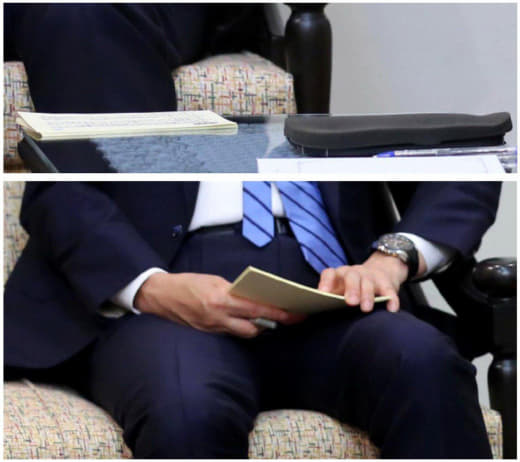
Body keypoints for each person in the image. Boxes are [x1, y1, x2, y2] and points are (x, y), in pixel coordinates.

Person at [5, 180, 500, 458]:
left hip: (336, 296)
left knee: (422, 359)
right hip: (171, 305)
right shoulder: (116, 108)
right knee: (186, 406)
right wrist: (152, 288)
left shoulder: (328, 122)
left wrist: (392, 258)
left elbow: (464, 162)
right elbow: (57, 193)